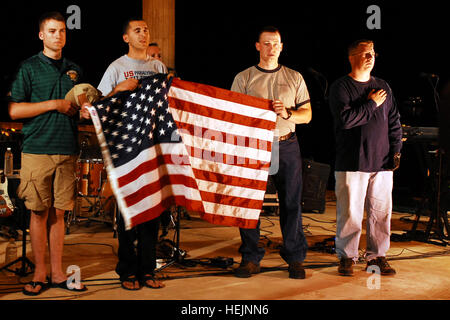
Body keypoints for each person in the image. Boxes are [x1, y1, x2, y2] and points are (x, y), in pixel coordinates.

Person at [8, 11, 87, 295]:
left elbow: (79, 109)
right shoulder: (28, 68)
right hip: (37, 150)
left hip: (67, 150)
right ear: (41, 35)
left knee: (59, 214)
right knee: (38, 213)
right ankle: (39, 273)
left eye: (62, 30)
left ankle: (56, 273)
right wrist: (53, 104)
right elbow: (15, 110)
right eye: (52, 31)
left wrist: (86, 110)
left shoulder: (74, 69)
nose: (58, 35)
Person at [90, 18, 166, 290]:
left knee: (152, 211)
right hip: (126, 150)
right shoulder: (117, 67)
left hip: (153, 147)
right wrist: (118, 89)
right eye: (138, 30)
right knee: (128, 212)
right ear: (126, 38)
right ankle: (127, 269)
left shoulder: (157, 67)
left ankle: (148, 268)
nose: (144, 33)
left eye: (146, 29)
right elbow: (96, 106)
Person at [230, 26, 311, 279]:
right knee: (250, 204)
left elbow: (307, 115)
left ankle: (295, 258)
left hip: (286, 143)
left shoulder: (294, 77)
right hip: (255, 145)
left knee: (291, 203)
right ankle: (250, 258)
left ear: (282, 46)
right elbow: (231, 116)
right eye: (266, 43)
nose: (271, 48)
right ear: (257, 46)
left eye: (275, 43)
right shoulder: (244, 77)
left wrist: (287, 113)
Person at [328, 39, 403, 276]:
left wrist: (396, 150)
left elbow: (394, 122)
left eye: (372, 53)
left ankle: (377, 256)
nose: (370, 57)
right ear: (352, 57)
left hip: (381, 163)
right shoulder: (341, 87)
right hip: (352, 163)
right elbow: (347, 121)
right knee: (350, 214)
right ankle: (347, 257)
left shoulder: (383, 86)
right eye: (364, 53)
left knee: (381, 213)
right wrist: (371, 103)